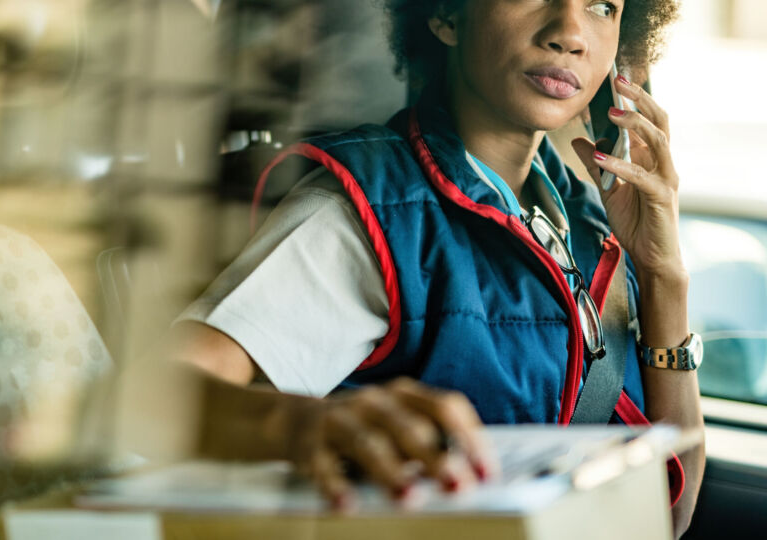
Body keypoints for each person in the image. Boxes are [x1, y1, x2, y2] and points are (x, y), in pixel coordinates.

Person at [175, 0, 703, 535]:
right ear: (447, 15)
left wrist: (663, 275)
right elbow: (161, 392)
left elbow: (670, 517)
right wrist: (307, 423)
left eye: (601, 7)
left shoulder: (586, 223)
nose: (570, 33)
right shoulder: (364, 212)